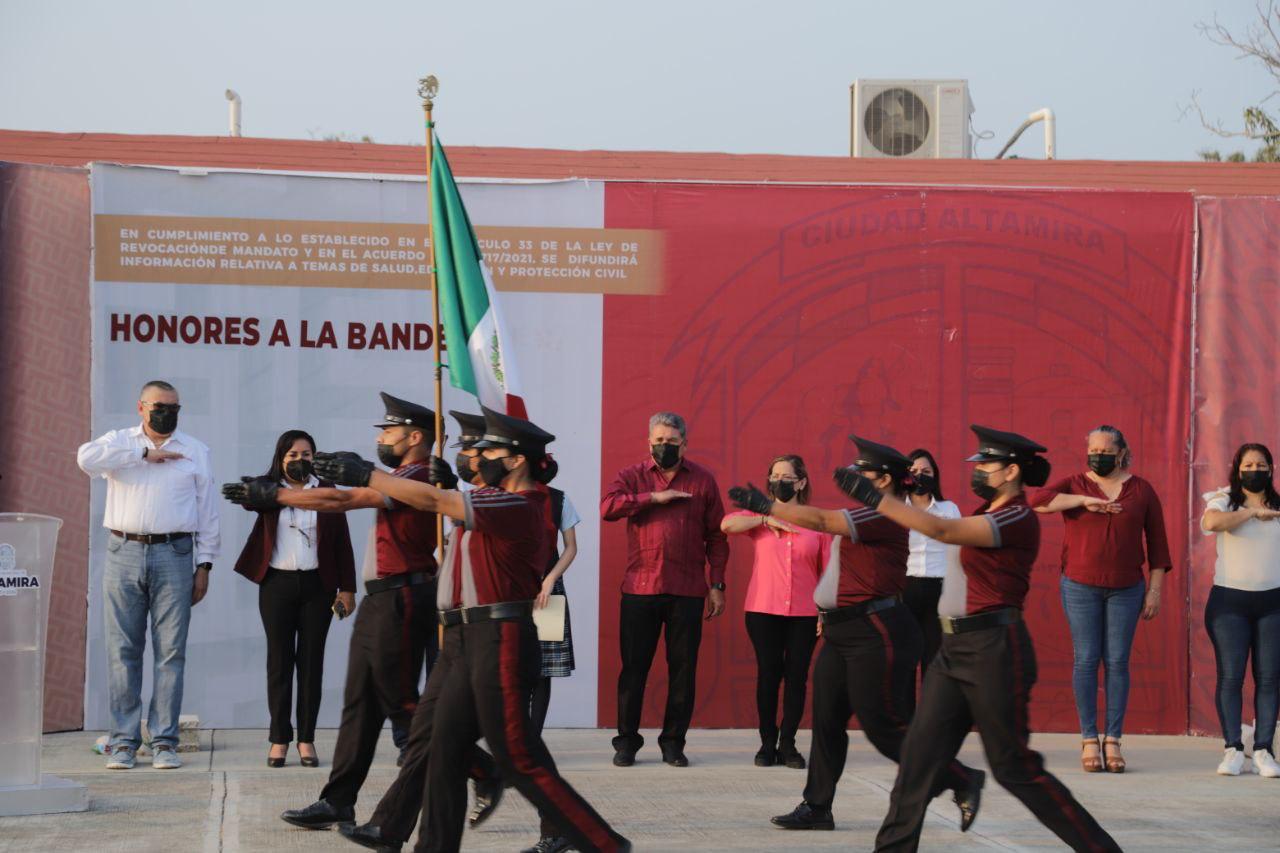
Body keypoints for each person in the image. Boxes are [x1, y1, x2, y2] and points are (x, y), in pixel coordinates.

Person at [314, 405, 631, 853]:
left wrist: (367, 474)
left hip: (499, 638)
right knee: (441, 751)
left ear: (518, 459)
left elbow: (437, 502)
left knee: (518, 758)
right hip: (464, 638)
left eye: (489, 449)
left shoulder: (523, 503)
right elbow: (446, 500)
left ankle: (607, 845)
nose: (479, 456)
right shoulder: (492, 498)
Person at [828, 425, 1120, 852]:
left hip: (995, 651)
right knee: (917, 761)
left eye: (986, 463)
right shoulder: (987, 511)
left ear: (1011, 471)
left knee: (1015, 768)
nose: (978, 468)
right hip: (954, 651)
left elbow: (942, 532)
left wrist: (877, 499)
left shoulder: (1015, 517)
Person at [729, 437, 983, 834]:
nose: (854, 476)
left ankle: (961, 779)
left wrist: (767, 506)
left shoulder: (887, 514)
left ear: (882, 479)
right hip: (842, 629)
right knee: (827, 719)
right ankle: (817, 807)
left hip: (875, 630)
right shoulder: (867, 511)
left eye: (862, 471)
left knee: (884, 726)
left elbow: (823, 521)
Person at [225, 392, 447, 830]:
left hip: (403, 596)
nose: (382, 436)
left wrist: (280, 496)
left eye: (389, 429)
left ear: (415, 435)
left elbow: (339, 503)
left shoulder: (417, 477)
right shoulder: (402, 474)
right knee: (360, 704)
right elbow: (339, 498)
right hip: (382, 596)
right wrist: (278, 494)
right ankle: (339, 800)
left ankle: (480, 768)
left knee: (397, 700)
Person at [337, 411, 504, 853]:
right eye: (465, 450)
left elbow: (430, 503)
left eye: (478, 450)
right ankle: (393, 828)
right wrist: (448, 486)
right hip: (457, 625)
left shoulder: (514, 502)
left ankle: (570, 827)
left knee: (518, 753)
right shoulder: (472, 496)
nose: (468, 457)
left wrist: (436, 488)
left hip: (490, 632)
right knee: (431, 730)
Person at [77, 379, 219, 771]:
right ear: (141, 407)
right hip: (124, 550)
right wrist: (141, 454)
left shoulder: (194, 451)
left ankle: (164, 741)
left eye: (173, 407)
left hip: (175, 553)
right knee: (123, 651)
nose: (166, 413)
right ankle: (123, 742)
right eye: (159, 406)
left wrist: (204, 565)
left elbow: (208, 512)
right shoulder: (119, 442)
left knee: (170, 651)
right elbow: (85, 460)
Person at [1031, 424, 1172, 774]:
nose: (1098, 455)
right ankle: (1089, 738)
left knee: (1118, 661)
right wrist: (1083, 501)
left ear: (1121, 452)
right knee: (1086, 659)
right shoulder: (1075, 484)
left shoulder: (1141, 490)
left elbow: (1158, 546)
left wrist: (1154, 591)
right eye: (1093, 449)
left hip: (1127, 588)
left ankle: (1113, 740)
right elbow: (1038, 502)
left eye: (1106, 450)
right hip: (1080, 585)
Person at [601, 411, 729, 768]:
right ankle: (626, 742)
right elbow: (608, 507)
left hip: (687, 590)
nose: (664, 447)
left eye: (671, 442)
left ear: (684, 443)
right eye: (658, 441)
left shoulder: (703, 480)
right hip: (640, 588)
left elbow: (717, 537)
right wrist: (653, 499)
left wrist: (717, 583)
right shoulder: (633, 476)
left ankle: (673, 742)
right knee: (633, 669)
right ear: (649, 442)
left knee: (683, 671)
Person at [230, 429, 356, 768]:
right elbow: (248, 499)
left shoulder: (327, 492)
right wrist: (262, 491)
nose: (300, 461)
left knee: (311, 664)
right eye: (292, 455)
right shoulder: (270, 491)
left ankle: (306, 739)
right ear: (280, 459)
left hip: (320, 587)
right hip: (276, 585)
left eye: (306, 455)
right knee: (279, 662)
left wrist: (348, 588)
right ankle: (279, 739)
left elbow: (342, 541)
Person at [721, 454, 828, 769]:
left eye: (787, 476)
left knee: (796, 677)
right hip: (763, 609)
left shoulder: (816, 520)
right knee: (769, 674)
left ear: (801, 482)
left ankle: (789, 744)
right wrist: (765, 518)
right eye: (774, 476)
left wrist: (824, 612)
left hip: (806, 612)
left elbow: (826, 571)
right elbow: (727, 524)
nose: (779, 481)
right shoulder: (758, 515)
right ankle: (767, 743)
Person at [1200, 442, 1280, 778]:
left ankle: (1263, 749)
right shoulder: (1224, 500)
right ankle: (1233, 747)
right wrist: (1250, 512)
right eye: (1249, 465)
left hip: (1273, 603)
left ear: (1271, 470)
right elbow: (1212, 522)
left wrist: (1266, 510)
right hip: (1229, 603)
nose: (1255, 470)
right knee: (1231, 677)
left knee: (1269, 678)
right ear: (1238, 469)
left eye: (1261, 465)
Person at [902, 448, 960, 718]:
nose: (919, 476)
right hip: (905, 588)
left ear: (935, 476)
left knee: (934, 661)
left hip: (940, 589)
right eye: (914, 472)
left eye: (926, 471)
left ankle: (929, 724)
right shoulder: (897, 509)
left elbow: (959, 551)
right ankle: (906, 726)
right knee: (904, 658)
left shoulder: (949, 510)